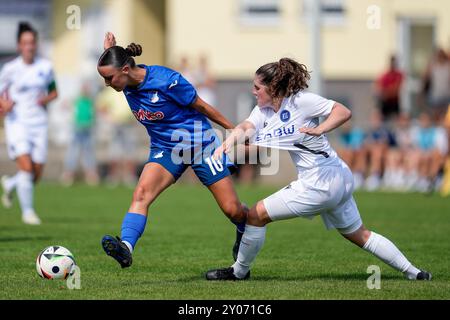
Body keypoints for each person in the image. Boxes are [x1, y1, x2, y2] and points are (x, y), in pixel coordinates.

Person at [205, 58, 431, 281]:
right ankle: (414, 272)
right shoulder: (262, 111)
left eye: (257, 87)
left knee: (255, 215)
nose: (253, 92)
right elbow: (245, 127)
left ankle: (239, 272)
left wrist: (320, 128)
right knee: (360, 234)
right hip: (339, 178)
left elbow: (342, 111)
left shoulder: (301, 101)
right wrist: (225, 145)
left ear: (273, 88)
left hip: (320, 182)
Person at [97, 32, 247, 268]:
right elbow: (115, 61)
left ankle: (244, 228)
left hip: (201, 145)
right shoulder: (123, 79)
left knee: (233, 210)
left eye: (109, 79)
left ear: (125, 69)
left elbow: (202, 106)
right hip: (166, 149)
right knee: (141, 195)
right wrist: (109, 49)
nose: (107, 84)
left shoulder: (167, 81)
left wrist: (234, 130)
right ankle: (125, 248)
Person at [0, 22, 58, 225]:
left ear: (36, 44)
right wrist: (4, 104)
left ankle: (10, 183)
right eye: (25, 43)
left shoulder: (45, 67)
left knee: (35, 174)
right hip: (17, 123)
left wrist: (45, 99)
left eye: (32, 42)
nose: (29, 46)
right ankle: (28, 212)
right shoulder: (10, 69)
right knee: (26, 167)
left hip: (39, 123)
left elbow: (54, 92)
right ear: (19, 45)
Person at [61, 82, 99, 186]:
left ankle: (91, 175)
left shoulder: (90, 101)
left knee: (88, 153)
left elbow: (94, 114)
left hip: (87, 129)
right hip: (77, 129)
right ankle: (68, 175)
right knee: (73, 152)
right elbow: (66, 105)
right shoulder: (77, 100)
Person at [374, 55, 403, 121]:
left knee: (396, 119)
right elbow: (378, 87)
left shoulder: (398, 75)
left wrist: (386, 92)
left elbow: (396, 89)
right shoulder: (386, 75)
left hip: (394, 102)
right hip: (385, 103)